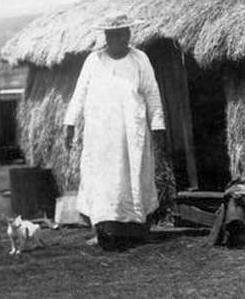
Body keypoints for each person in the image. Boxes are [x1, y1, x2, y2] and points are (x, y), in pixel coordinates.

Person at [63, 13, 167, 250]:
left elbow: (152, 93)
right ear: (107, 37)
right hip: (101, 135)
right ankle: (103, 231)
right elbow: (79, 94)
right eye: (116, 34)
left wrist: (157, 125)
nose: (122, 38)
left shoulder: (140, 59)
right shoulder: (93, 61)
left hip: (131, 133)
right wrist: (69, 123)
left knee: (133, 178)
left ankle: (135, 230)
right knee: (103, 181)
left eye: (125, 33)